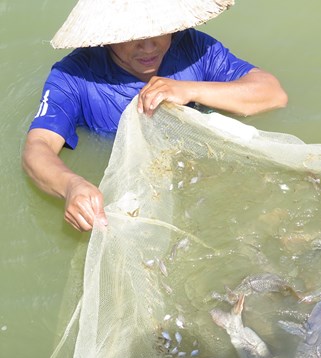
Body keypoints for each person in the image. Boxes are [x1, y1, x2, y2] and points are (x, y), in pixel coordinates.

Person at [22, 0, 288, 232]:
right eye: (132, 36)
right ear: (107, 33)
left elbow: (273, 94)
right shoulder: (74, 76)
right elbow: (38, 146)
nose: (148, 47)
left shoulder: (193, 48)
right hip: (139, 194)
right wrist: (72, 186)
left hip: (209, 172)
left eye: (158, 31)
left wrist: (188, 90)